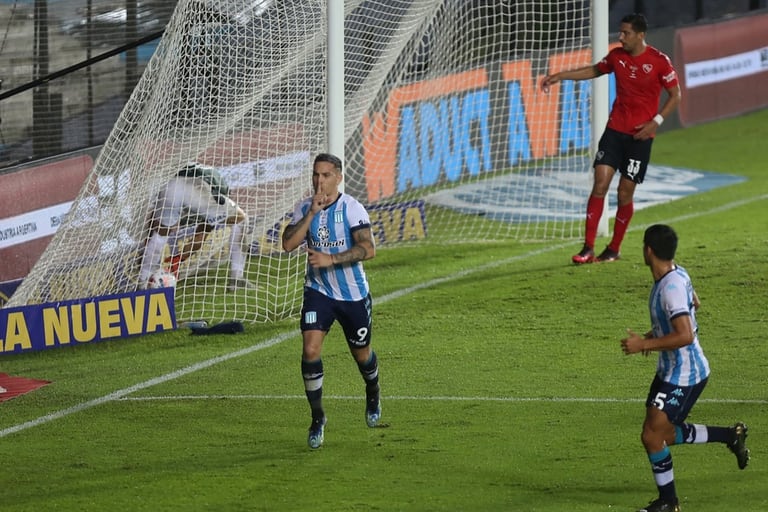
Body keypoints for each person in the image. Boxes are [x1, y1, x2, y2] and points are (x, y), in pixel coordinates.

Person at [621, 224, 749, 512]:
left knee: (653, 436)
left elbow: (685, 335)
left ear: (648, 250)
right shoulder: (677, 274)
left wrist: (643, 345)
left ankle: (669, 503)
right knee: (660, 434)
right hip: (671, 370)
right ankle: (731, 435)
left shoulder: (670, 287)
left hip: (685, 374)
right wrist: (655, 335)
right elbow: (695, 304)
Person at [541, 13, 681, 264]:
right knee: (600, 184)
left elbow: (675, 95)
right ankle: (587, 248)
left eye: (626, 33)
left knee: (624, 193)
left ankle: (614, 248)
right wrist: (561, 75)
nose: (621, 37)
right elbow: (595, 70)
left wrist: (655, 122)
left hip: (640, 138)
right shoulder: (617, 56)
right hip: (615, 131)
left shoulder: (659, 61)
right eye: (621, 32)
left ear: (640, 35)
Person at [281, 153, 381, 449]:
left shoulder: (352, 208)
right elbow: (287, 244)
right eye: (315, 174)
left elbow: (368, 249)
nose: (319, 180)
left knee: (362, 355)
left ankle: (373, 391)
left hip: (352, 295)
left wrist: (331, 258)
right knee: (310, 349)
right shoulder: (304, 208)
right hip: (318, 291)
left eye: (325, 175)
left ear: (338, 177)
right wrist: (310, 214)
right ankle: (317, 417)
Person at [137, 162, 254, 292]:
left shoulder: (206, 173)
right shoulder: (218, 193)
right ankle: (236, 278)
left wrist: (178, 259)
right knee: (241, 220)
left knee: (159, 236)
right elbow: (200, 238)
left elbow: (154, 224)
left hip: (169, 185)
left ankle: (143, 282)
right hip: (195, 189)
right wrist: (179, 259)